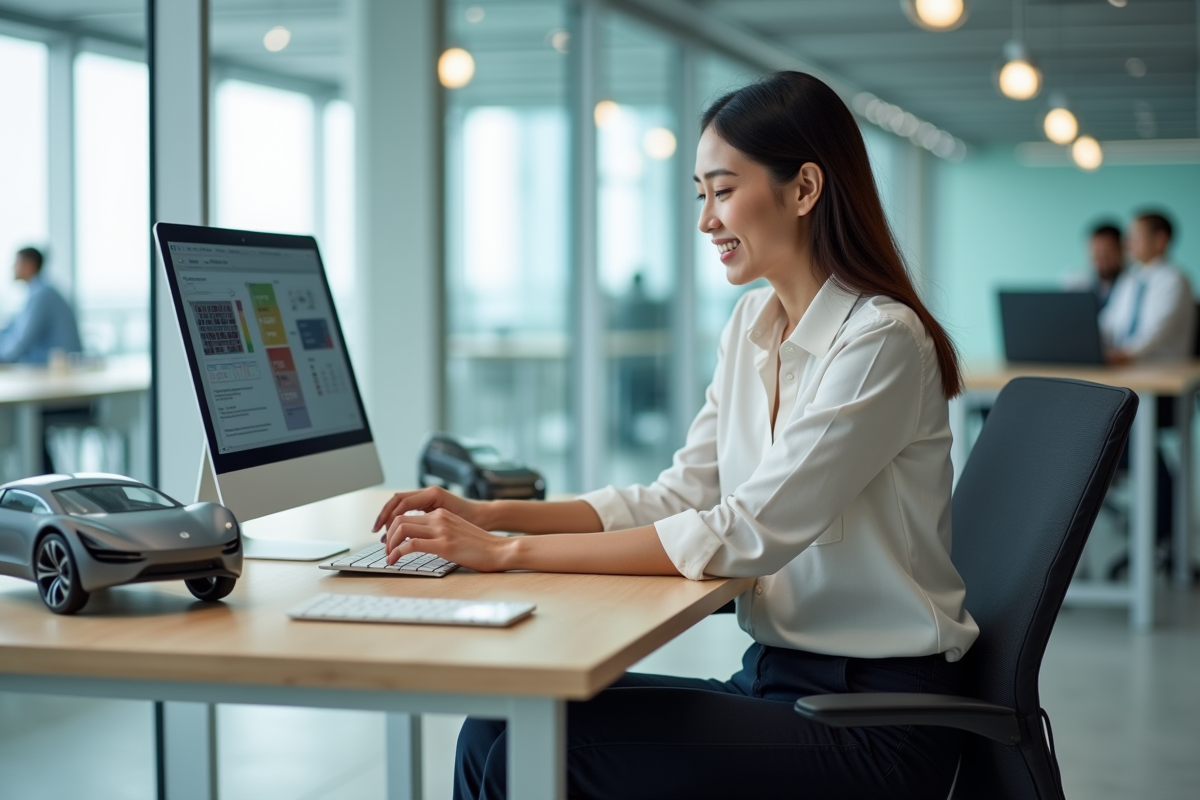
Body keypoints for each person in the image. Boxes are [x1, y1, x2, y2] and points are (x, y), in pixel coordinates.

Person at [374, 71, 978, 799]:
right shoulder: (751, 326)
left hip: (876, 717)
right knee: (496, 726)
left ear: (804, 189)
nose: (706, 221)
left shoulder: (880, 339)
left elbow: (748, 532)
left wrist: (508, 554)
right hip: (778, 676)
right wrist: (492, 514)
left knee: (531, 756)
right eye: (701, 195)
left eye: (723, 192)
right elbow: (679, 496)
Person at [1100, 211, 1194, 365]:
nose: (1128, 243)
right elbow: (1110, 321)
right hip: (1123, 366)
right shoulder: (1129, 279)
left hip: (1162, 371)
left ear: (1160, 240)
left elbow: (1156, 332)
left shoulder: (1174, 280)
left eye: (1135, 237)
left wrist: (1125, 354)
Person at [0, 247, 83, 364]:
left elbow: (22, 340)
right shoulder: (37, 292)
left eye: (16, 262)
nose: (12, 267)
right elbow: (13, 329)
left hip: (57, 368)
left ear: (30, 264)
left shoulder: (42, 295)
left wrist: (3, 356)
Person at [1066, 222, 1124, 310]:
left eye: (1107, 251)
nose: (1102, 258)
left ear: (1121, 250)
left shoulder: (1134, 282)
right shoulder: (1077, 282)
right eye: (1096, 252)